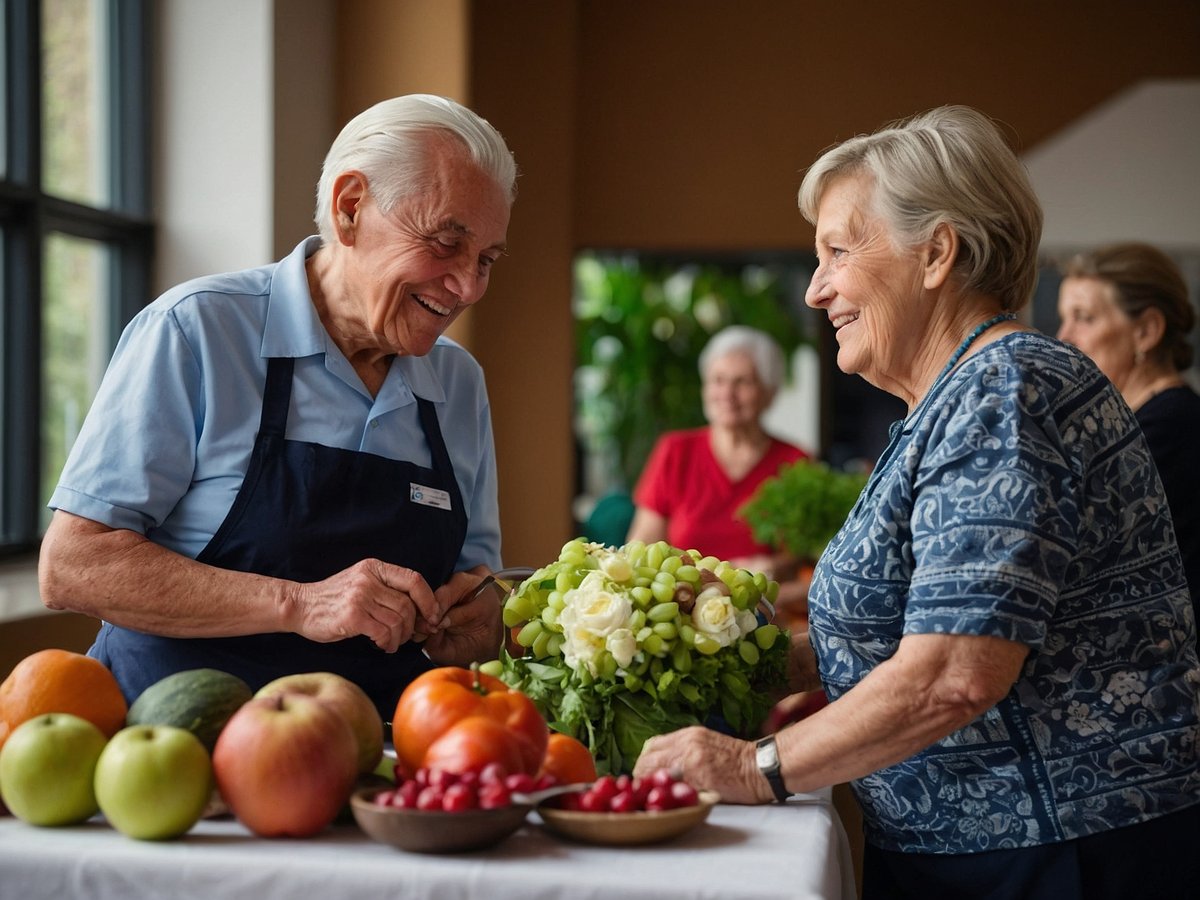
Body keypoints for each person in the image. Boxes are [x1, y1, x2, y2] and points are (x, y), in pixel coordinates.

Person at [634, 106, 1200, 899]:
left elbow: (953, 671)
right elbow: (910, 635)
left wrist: (749, 767)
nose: (816, 289)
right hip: (990, 851)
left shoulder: (1003, 389)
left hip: (1058, 857)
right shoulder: (947, 404)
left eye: (837, 251)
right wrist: (738, 654)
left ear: (937, 253)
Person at [38, 94, 516, 725]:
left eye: (485, 260)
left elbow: (475, 586)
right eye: (444, 243)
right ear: (351, 209)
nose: (468, 287)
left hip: (376, 771)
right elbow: (73, 565)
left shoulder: (459, 382)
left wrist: (484, 620)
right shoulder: (198, 332)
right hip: (174, 761)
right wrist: (300, 602)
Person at [1056, 242, 1200, 633]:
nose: (1064, 337)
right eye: (1064, 318)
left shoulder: (1168, 430)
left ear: (1146, 330)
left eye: (1083, 318)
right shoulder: (1141, 423)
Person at [625, 324, 810, 581]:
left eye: (742, 382)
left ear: (769, 393)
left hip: (762, 606)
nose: (726, 394)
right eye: (718, 380)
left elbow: (806, 554)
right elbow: (641, 548)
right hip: (681, 603)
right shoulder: (675, 451)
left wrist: (774, 566)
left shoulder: (794, 462)